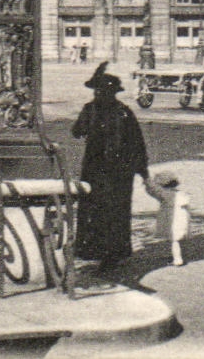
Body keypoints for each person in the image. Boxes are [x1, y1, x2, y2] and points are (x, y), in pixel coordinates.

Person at [72, 62, 150, 269]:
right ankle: (105, 252)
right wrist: (142, 170)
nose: (98, 94)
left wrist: (142, 170)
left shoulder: (101, 111)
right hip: (108, 170)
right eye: (98, 91)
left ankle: (101, 252)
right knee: (107, 209)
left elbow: (77, 132)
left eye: (101, 91)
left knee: (103, 209)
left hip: (105, 170)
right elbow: (137, 143)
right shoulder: (118, 111)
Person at [143, 171, 191, 266]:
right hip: (183, 219)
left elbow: (153, 191)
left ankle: (178, 259)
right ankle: (181, 255)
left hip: (172, 219)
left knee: (174, 240)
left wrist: (147, 183)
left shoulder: (165, 195)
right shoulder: (181, 193)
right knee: (180, 239)